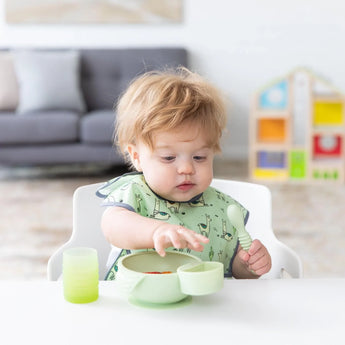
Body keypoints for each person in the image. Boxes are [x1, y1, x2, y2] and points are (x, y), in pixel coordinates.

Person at [97, 67, 271, 280]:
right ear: (136, 157)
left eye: (199, 158)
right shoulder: (134, 193)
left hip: (201, 305)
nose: (187, 169)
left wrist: (249, 265)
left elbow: (234, 270)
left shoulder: (222, 210)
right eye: (169, 158)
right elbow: (113, 227)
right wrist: (155, 232)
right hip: (138, 301)